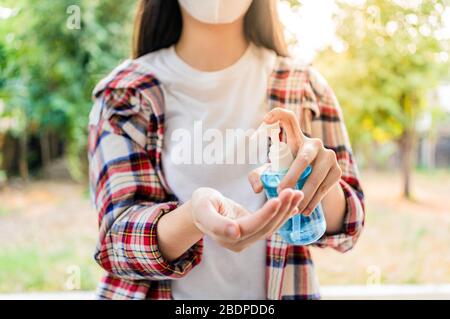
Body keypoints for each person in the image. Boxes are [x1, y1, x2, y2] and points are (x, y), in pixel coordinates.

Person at [88, 0, 365, 300]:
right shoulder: (125, 94)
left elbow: (348, 229)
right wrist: (193, 217)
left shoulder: (305, 86)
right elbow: (116, 245)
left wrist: (322, 182)